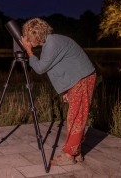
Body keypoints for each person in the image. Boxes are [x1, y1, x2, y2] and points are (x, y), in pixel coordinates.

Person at [21, 17, 96, 166]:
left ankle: (69, 155)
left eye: (29, 38)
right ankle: (76, 152)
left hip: (83, 78)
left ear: (36, 35)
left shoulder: (52, 43)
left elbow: (40, 68)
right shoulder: (51, 42)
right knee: (74, 116)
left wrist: (29, 52)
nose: (28, 41)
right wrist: (68, 89)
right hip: (78, 78)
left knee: (76, 116)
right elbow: (62, 66)